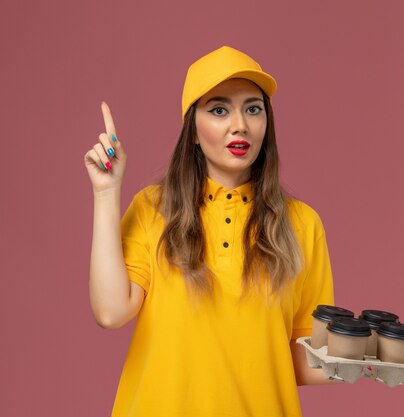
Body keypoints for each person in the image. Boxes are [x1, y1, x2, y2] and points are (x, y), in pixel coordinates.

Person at [84, 46, 341, 417]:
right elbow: (110, 312)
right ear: (192, 130)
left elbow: (297, 358)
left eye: (253, 109)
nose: (240, 124)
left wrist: (363, 360)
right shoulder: (152, 208)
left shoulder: (302, 224)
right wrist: (106, 195)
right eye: (219, 110)